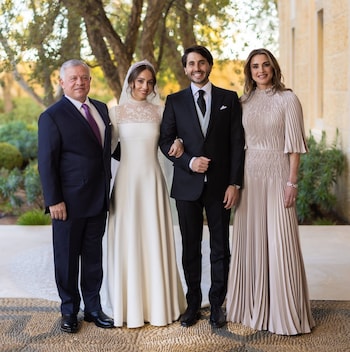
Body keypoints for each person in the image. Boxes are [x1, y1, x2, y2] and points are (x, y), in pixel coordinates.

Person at [225, 48, 315, 335]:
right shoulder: (243, 102)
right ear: (249, 72)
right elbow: (230, 141)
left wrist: (292, 182)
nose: (260, 70)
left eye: (265, 65)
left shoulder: (288, 99)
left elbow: (294, 147)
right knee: (250, 240)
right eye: (254, 67)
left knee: (280, 241)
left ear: (273, 68)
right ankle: (251, 308)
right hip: (249, 177)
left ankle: (284, 312)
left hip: (277, 175)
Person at [159, 45, 245, 328]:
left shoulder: (229, 99)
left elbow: (236, 145)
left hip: (221, 187)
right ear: (185, 68)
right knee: (190, 247)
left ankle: (217, 303)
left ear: (209, 65)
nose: (197, 68)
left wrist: (234, 183)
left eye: (202, 63)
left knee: (221, 247)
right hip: (187, 186)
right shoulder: (174, 101)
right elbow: (165, 141)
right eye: (191, 64)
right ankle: (192, 303)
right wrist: (188, 161)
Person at [103, 60, 186, 328]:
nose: (145, 86)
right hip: (126, 181)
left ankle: (159, 305)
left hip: (151, 181)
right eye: (140, 81)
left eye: (150, 82)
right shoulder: (115, 113)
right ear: (130, 82)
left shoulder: (161, 112)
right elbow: (104, 150)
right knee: (128, 238)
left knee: (152, 236)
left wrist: (179, 142)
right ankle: (128, 305)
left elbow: (173, 139)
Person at [38, 59, 114, 333]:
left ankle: (93, 309)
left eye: (84, 77)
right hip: (67, 204)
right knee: (67, 260)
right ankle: (69, 311)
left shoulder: (102, 109)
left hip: (98, 199)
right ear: (62, 82)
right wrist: (54, 200)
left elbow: (107, 149)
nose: (80, 82)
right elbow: (46, 161)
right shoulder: (52, 116)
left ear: (90, 80)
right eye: (73, 78)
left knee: (94, 260)